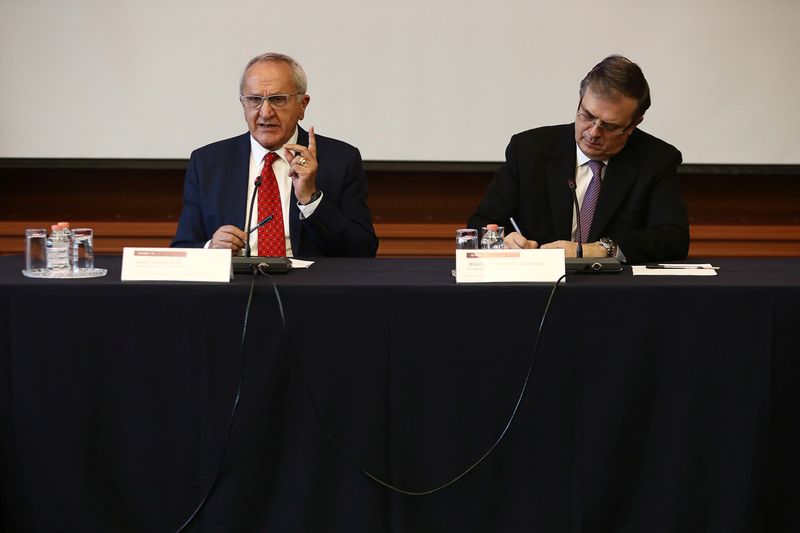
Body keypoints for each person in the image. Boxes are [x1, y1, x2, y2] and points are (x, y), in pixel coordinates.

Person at [468, 55, 689, 263]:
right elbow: (482, 224)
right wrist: (504, 240)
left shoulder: (656, 159)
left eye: (609, 126)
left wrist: (600, 249)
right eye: (587, 116)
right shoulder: (529, 150)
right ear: (579, 102)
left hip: (614, 292)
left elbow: (673, 238)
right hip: (536, 288)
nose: (593, 132)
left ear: (633, 125)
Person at [172, 53, 379, 257]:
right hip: (237, 287)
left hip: (309, 286)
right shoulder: (207, 163)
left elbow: (363, 250)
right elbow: (182, 249)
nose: (265, 112)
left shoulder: (340, 160)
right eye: (254, 100)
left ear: (302, 105)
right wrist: (211, 249)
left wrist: (311, 199)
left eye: (277, 100)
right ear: (243, 104)